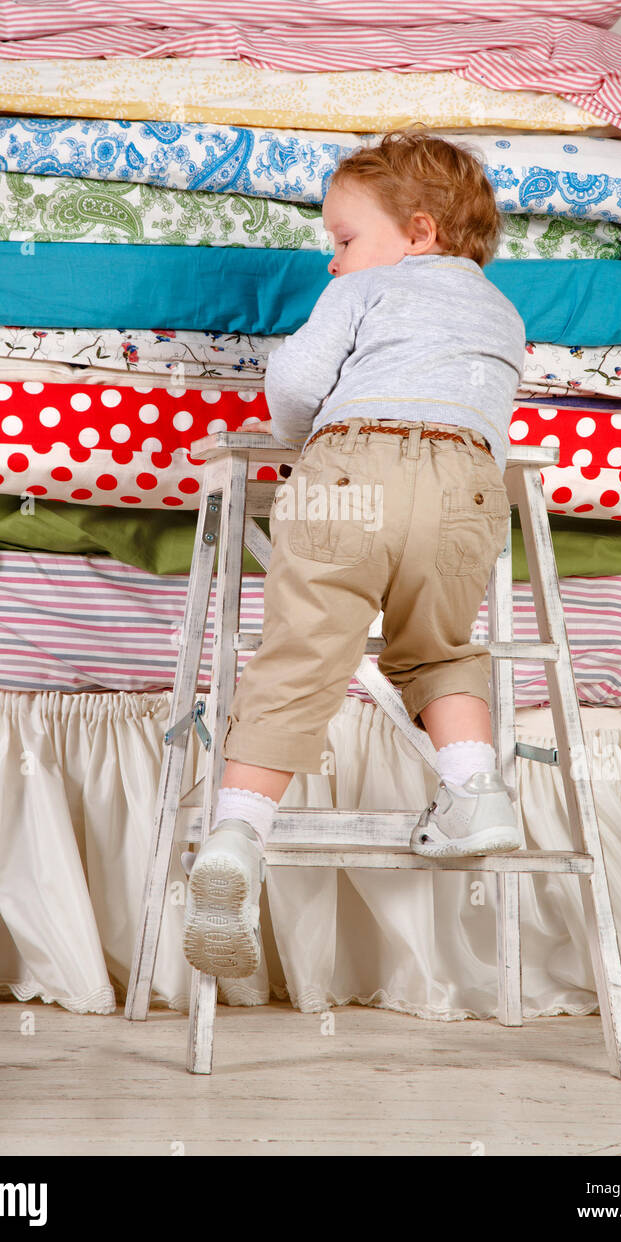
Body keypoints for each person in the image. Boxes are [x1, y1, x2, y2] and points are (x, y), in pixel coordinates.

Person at [183, 129, 526, 981]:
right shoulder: (504, 311)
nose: (335, 262)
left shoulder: (366, 290)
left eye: (342, 241)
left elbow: (298, 383)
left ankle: (236, 833)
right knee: (442, 648)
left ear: (418, 233)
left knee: (299, 656)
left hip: (351, 473)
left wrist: (303, 437)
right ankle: (475, 789)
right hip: (467, 487)